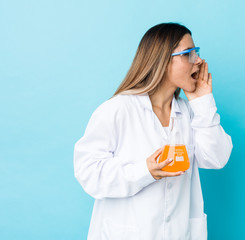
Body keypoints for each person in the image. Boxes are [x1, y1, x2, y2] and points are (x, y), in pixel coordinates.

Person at [73, 22, 233, 240]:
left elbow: (216, 158)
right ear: (162, 60)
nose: (198, 61)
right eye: (189, 54)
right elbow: (88, 173)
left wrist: (201, 100)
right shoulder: (118, 110)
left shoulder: (188, 113)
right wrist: (144, 171)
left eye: (197, 52)